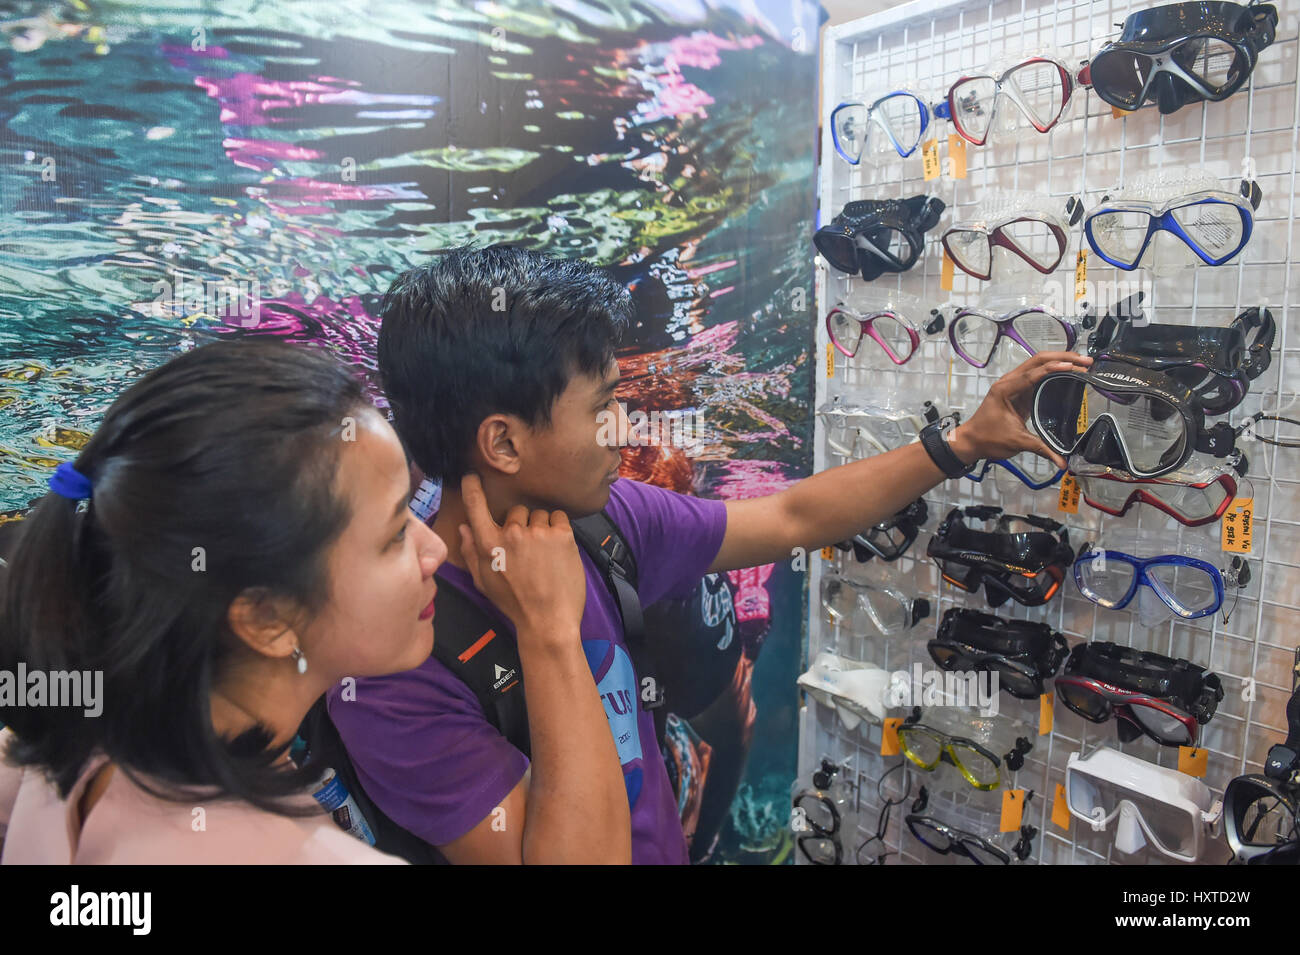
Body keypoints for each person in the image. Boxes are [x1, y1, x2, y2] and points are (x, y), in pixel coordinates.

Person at [329, 244, 1093, 865]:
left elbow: (792, 515)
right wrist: (550, 630)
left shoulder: (608, 522)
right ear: (502, 441)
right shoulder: (397, 663)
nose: (626, 428)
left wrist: (960, 443)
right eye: (601, 407)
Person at [0, 338, 605, 863]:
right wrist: (553, 632)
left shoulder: (66, 745)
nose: (434, 551)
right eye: (395, 534)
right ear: (266, 617)